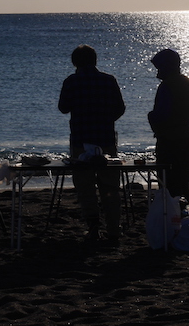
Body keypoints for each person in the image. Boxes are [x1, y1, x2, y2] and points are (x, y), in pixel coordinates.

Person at [58, 44, 126, 242]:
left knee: (85, 187)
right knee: (110, 187)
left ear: (75, 63)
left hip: (81, 140)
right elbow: (120, 108)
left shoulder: (71, 81)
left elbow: (63, 108)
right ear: (95, 60)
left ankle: (93, 227)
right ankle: (114, 229)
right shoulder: (108, 80)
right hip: (106, 139)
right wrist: (106, 119)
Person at [148, 49, 189, 201]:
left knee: (167, 179)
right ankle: (183, 205)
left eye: (159, 68)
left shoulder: (166, 86)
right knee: (184, 177)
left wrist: (152, 118)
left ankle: (171, 210)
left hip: (168, 139)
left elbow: (160, 115)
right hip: (185, 135)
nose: (157, 73)